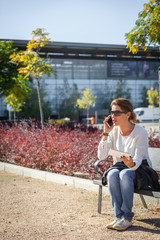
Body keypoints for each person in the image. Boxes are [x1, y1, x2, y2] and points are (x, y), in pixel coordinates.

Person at [98, 98, 152, 231]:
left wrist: (131, 163)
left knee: (125, 173)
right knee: (112, 174)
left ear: (128, 114)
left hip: (140, 169)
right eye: (112, 113)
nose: (113, 117)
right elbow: (101, 156)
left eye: (117, 113)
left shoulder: (140, 132)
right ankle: (118, 216)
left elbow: (138, 159)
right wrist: (106, 133)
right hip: (120, 167)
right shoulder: (113, 131)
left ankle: (127, 218)